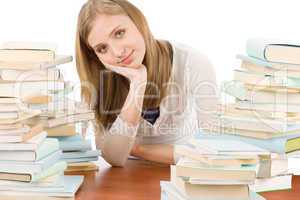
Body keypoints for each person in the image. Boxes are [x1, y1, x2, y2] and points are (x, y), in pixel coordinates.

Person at [75, 0, 219, 167]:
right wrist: (138, 83)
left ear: (138, 22)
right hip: (125, 177)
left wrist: (137, 149)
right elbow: (113, 157)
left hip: (183, 172)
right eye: (102, 48)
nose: (117, 52)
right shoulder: (98, 79)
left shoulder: (192, 62)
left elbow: (212, 150)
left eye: (119, 33)